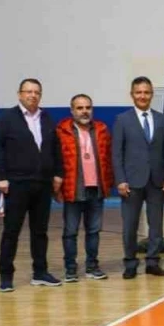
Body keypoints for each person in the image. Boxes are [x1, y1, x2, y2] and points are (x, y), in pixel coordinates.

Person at [0, 78, 64, 291]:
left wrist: (58, 174)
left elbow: (55, 148)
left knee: (40, 232)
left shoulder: (46, 118)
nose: (33, 95)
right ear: (19, 94)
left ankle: (40, 272)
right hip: (16, 184)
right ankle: (6, 276)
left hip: (42, 184)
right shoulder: (6, 118)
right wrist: (0, 176)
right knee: (11, 231)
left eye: (36, 92)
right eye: (28, 91)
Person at [112, 76, 164, 279]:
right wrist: (120, 179)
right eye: (138, 92)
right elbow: (116, 153)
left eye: (146, 92)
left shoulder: (163, 119)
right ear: (132, 95)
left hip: (157, 180)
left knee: (156, 224)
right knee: (130, 226)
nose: (142, 96)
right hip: (131, 181)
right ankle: (130, 262)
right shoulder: (122, 120)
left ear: (152, 94)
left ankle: (153, 262)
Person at [53, 94, 114, 282]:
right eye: (80, 108)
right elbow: (55, 160)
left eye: (88, 107)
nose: (84, 111)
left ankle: (92, 267)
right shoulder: (61, 131)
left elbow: (109, 158)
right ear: (72, 111)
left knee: (94, 231)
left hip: (96, 189)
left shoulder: (102, 130)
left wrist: (109, 183)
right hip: (73, 188)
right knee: (70, 232)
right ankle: (70, 269)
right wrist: (56, 188)